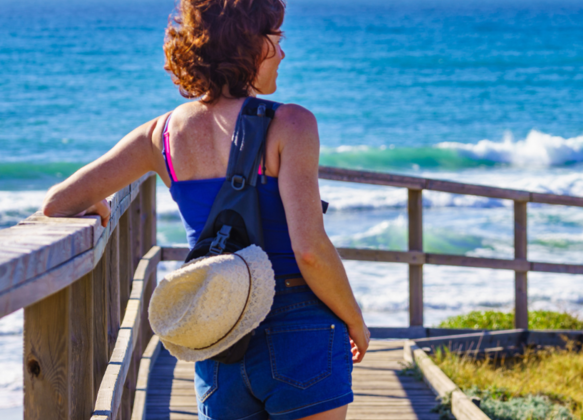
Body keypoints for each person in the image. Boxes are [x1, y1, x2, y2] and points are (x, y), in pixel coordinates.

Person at [41, 0, 370, 419]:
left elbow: (57, 203)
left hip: (219, 329)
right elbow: (309, 250)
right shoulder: (292, 124)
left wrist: (97, 202)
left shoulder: (158, 135)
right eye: (277, 39)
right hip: (299, 325)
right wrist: (354, 321)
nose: (283, 52)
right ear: (250, 44)